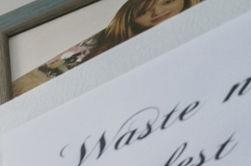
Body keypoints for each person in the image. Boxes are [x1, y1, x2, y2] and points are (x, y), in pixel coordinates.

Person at [13, 0, 200, 95]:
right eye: (144, 11)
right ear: (128, 18)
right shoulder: (93, 47)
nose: (156, 13)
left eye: (167, 1)